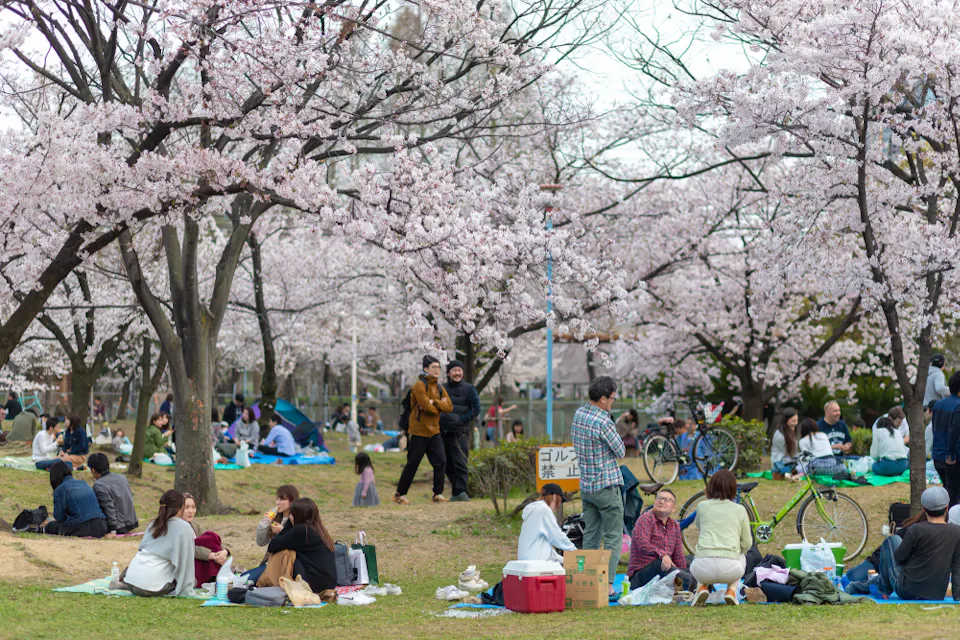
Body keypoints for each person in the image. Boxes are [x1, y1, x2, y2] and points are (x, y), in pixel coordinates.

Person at [846, 486, 960, 601]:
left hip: (907, 590)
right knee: (883, 577)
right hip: (936, 593)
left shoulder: (917, 529)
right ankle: (868, 586)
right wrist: (957, 597)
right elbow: (957, 567)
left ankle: (882, 590)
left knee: (891, 541)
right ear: (946, 508)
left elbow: (900, 558)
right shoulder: (957, 532)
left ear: (924, 509)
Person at [571, 376, 625, 596]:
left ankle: (585, 580)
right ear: (602, 398)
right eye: (612, 398)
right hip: (607, 485)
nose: (613, 402)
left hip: (587, 486)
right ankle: (608, 584)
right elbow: (621, 451)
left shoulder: (579, 414)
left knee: (591, 534)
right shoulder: (603, 421)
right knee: (613, 536)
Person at [394, 356, 453, 505]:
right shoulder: (420, 385)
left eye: (438, 367)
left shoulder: (440, 387)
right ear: (426, 369)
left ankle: (437, 493)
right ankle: (399, 494)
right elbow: (427, 407)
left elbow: (449, 407)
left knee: (440, 462)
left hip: (434, 431)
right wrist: (438, 406)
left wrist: (435, 402)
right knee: (412, 464)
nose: (437, 370)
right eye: (434, 367)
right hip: (419, 431)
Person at [690, 470, 752, 606]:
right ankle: (731, 590)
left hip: (702, 568)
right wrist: (739, 552)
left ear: (710, 486)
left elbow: (699, 526)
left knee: (699, 555)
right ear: (733, 489)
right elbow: (747, 542)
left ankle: (701, 587)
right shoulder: (740, 509)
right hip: (731, 569)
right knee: (742, 556)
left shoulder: (702, 506)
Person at [117, 490, 196, 597]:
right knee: (187, 581)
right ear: (179, 508)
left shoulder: (154, 523)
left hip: (131, 581)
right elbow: (186, 563)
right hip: (149, 587)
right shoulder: (183, 527)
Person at [257, 497, 338, 595]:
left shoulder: (302, 530)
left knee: (286, 553)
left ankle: (270, 582)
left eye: (292, 513)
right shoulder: (318, 529)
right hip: (327, 583)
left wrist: (289, 525)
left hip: (314, 584)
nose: (290, 516)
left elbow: (273, 546)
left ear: (297, 515)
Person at [628, 488, 693, 590]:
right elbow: (642, 545)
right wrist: (663, 555)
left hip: (664, 571)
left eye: (667, 500)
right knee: (660, 563)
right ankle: (691, 585)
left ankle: (691, 583)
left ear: (673, 508)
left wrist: (683, 570)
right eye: (659, 498)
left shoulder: (674, 526)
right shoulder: (645, 519)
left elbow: (678, 557)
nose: (662, 501)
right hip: (640, 577)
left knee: (692, 560)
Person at [241, 485, 300, 585]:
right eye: (277, 499)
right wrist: (264, 524)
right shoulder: (276, 517)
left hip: (286, 565)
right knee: (243, 578)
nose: (278, 503)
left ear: (292, 500)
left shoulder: (297, 519)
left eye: (282, 499)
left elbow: (297, 543)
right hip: (270, 562)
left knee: (248, 580)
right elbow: (261, 542)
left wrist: (282, 531)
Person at [439, 359, 480, 502]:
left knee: (460, 462)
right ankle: (456, 492)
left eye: (459, 370)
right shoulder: (441, 389)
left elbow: (476, 409)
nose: (457, 373)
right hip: (444, 432)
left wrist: (462, 420)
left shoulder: (469, 389)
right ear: (449, 373)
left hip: (461, 432)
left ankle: (462, 491)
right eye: (454, 370)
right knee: (446, 463)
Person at [42, 460, 107, 538]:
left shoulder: (60, 489)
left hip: (83, 527)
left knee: (51, 526)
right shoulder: (84, 483)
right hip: (101, 525)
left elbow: (59, 518)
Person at [518, 483, 576, 563]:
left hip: (527, 560)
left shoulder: (533, 511)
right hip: (537, 562)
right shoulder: (544, 510)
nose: (558, 506)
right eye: (560, 501)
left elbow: (546, 547)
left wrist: (564, 560)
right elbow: (557, 536)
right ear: (555, 497)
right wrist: (576, 552)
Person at [181, 493, 230, 588]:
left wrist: (224, 551)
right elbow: (187, 548)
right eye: (187, 508)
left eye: (193, 507)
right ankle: (215, 575)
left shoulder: (194, 524)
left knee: (211, 537)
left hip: (203, 558)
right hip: (188, 562)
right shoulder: (177, 527)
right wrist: (212, 555)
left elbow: (213, 539)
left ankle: (217, 575)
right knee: (206, 542)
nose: (191, 511)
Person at [88, 453, 138, 536]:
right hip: (131, 523)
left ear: (93, 470)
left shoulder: (99, 484)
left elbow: (108, 506)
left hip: (118, 526)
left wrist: (112, 529)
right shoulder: (122, 477)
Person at [931, 371, 960, 507]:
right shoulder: (958, 406)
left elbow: (934, 429)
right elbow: (954, 432)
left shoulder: (938, 404)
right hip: (953, 459)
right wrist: (951, 455)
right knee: (955, 497)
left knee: (948, 493)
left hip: (938, 456)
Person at [771, 408, 799, 477]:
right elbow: (791, 454)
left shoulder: (790, 431)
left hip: (789, 461)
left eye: (797, 420)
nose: (795, 423)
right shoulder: (780, 436)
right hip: (780, 462)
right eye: (793, 421)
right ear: (786, 421)